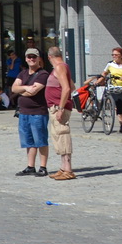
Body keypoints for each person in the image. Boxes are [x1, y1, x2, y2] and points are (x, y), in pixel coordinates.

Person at [11, 49, 51, 177]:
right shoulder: (22, 73)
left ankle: (43, 167)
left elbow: (33, 92)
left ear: (39, 58)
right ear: (26, 58)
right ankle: (30, 166)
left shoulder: (43, 74)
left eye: (34, 57)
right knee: (28, 141)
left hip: (38, 112)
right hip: (24, 112)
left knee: (41, 140)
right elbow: (13, 88)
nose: (31, 59)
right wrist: (26, 88)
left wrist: (21, 89)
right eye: (29, 57)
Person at [45, 46, 76, 181]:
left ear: (49, 57)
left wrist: (61, 108)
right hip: (54, 106)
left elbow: (67, 88)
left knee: (63, 135)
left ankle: (68, 170)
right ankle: (63, 168)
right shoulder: (62, 67)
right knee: (58, 136)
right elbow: (72, 86)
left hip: (59, 107)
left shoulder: (59, 67)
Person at [102, 45, 122, 134]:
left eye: (116, 55)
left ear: (121, 55)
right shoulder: (110, 64)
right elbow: (104, 73)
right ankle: (121, 125)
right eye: (113, 55)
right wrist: (100, 79)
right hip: (115, 88)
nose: (114, 56)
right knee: (120, 105)